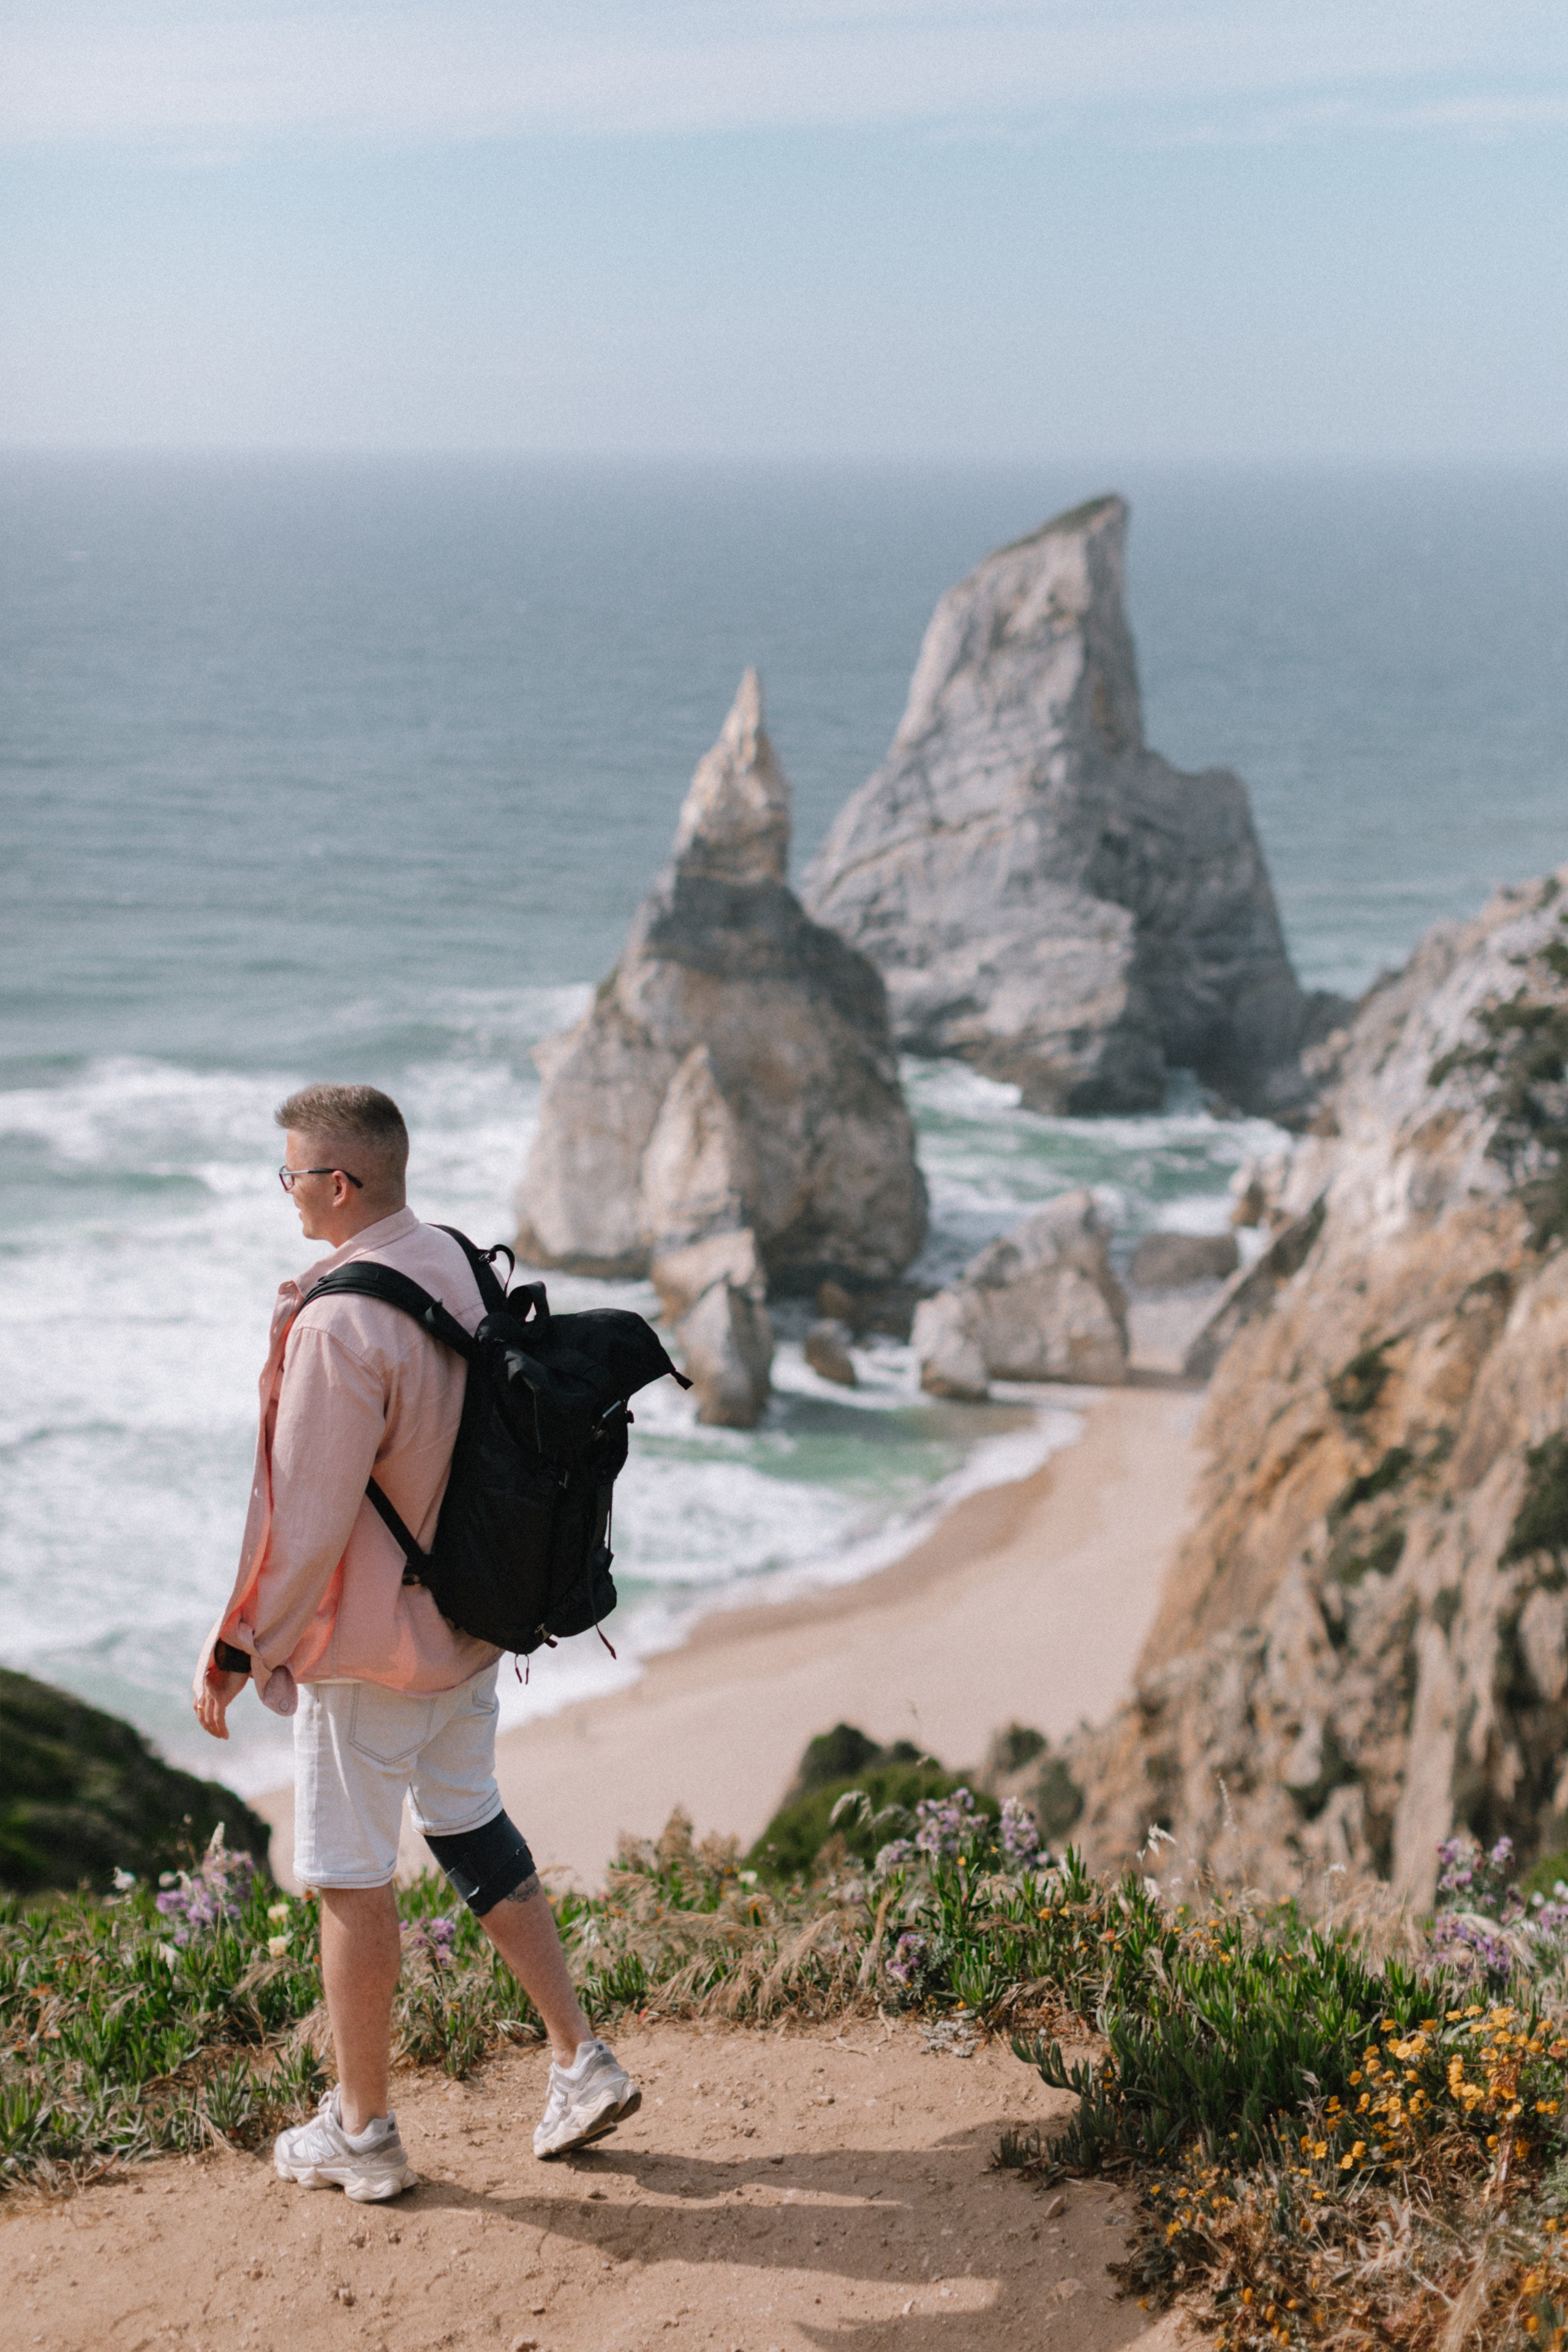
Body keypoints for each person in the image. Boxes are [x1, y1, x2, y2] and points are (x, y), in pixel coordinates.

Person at [192, 1082, 638, 2202]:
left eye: (291, 1174)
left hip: (373, 1654)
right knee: (470, 1823)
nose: (286, 1192)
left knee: (346, 1874)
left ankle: (364, 2130)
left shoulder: (340, 1324)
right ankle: (580, 2061)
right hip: (474, 1622)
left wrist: (244, 1645)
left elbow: (308, 1518)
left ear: (337, 1183)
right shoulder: (448, 1254)